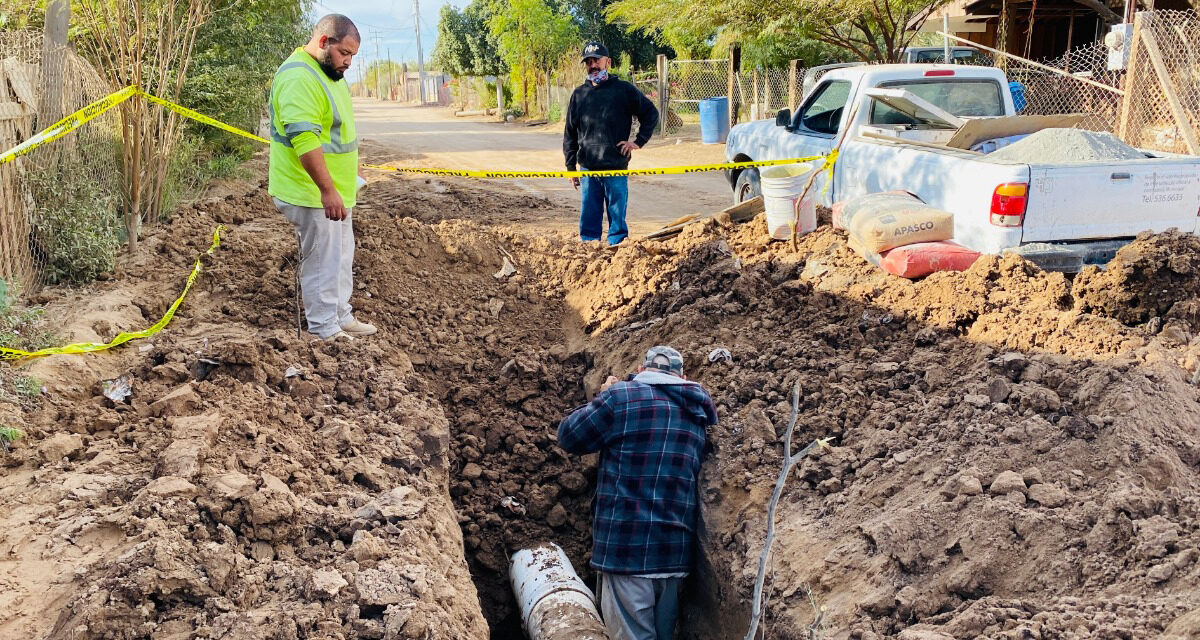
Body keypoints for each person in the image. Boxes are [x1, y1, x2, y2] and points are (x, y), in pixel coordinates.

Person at [558, 346, 717, 640]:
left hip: (627, 552)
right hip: (674, 556)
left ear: (643, 372)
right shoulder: (697, 415)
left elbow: (569, 435)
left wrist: (603, 394)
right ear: (683, 376)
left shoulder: (622, 399)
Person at [268, 14, 376, 342]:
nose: (349, 63)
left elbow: (334, 133)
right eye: (345, 53)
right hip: (309, 191)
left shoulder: (328, 72)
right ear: (323, 42)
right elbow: (306, 141)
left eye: (354, 56)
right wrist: (327, 189)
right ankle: (324, 328)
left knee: (341, 254)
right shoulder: (300, 77)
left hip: (334, 190)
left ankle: (340, 315)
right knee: (322, 260)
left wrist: (350, 170)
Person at [563, 42, 660, 246]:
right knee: (589, 214)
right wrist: (570, 167)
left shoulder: (623, 90)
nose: (593, 65)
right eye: (588, 62)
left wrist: (638, 142)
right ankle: (590, 248)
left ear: (607, 62)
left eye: (596, 60)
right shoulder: (579, 95)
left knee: (617, 216)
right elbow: (570, 132)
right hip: (588, 168)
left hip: (616, 165)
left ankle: (617, 248)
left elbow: (651, 113)